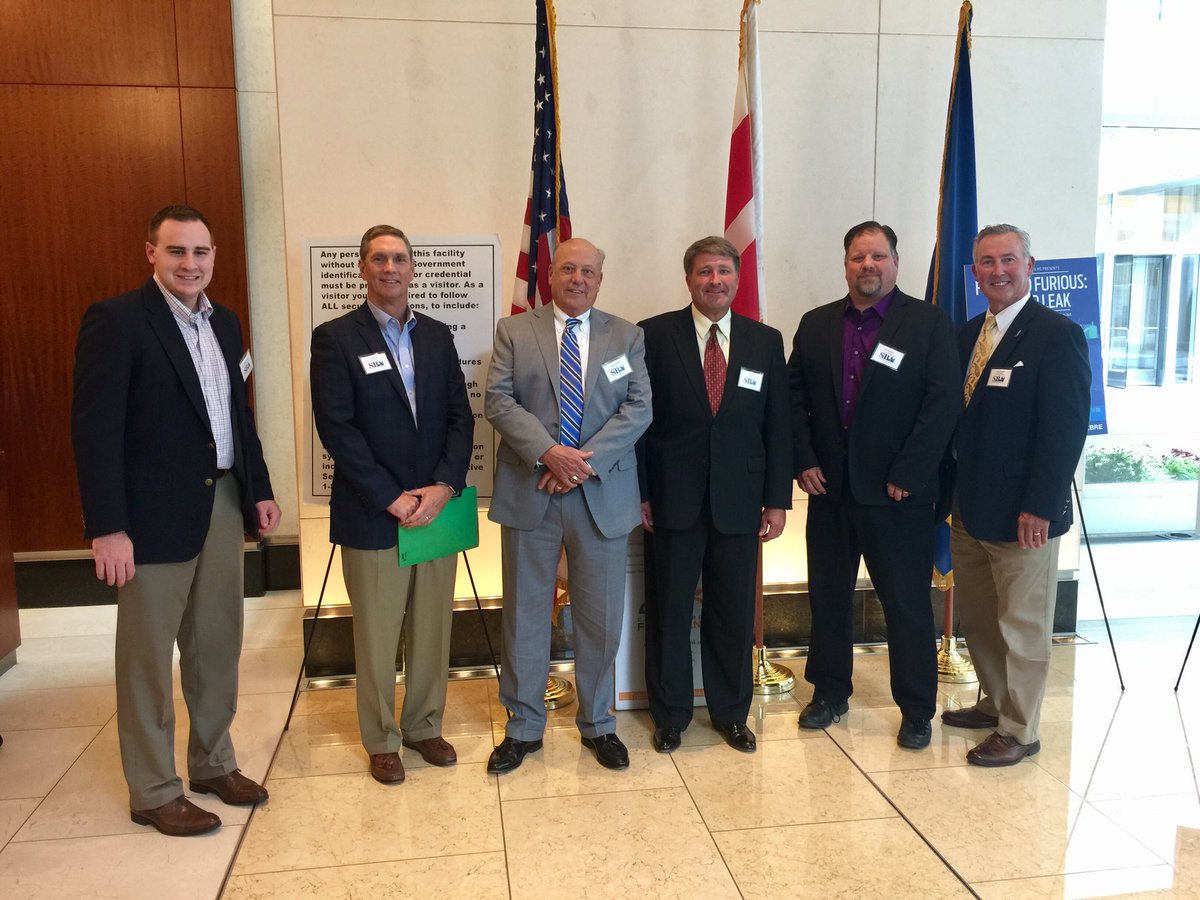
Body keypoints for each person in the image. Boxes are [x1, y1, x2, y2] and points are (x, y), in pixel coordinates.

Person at [71, 204, 281, 837]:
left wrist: (259, 492)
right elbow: (95, 430)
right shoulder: (118, 321)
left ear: (214, 257)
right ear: (151, 254)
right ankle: (153, 788)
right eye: (177, 252)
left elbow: (238, 420)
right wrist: (107, 526)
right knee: (146, 657)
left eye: (201, 253)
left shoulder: (225, 324)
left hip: (220, 502)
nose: (191, 264)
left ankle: (213, 763)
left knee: (216, 644)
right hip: (147, 517)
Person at [310, 224, 473, 785]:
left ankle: (425, 726)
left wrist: (445, 486)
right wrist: (390, 497)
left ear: (412, 268)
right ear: (362, 268)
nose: (390, 268)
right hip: (373, 511)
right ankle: (381, 739)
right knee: (377, 635)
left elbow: (460, 416)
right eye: (378, 259)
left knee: (432, 629)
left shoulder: (436, 335)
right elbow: (337, 427)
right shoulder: (335, 338)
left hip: (435, 509)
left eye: (399, 259)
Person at [789, 221, 960, 749]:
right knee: (829, 599)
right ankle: (829, 692)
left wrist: (909, 474)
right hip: (831, 492)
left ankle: (915, 709)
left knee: (906, 604)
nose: (868, 266)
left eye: (878, 256)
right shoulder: (816, 324)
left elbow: (942, 404)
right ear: (845, 264)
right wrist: (804, 459)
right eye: (858, 257)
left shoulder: (928, 323)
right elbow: (793, 401)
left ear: (895, 263)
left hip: (897, 495)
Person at [485, 238, 651, 773]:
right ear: (550, 276)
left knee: (600, 619)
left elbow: (639, 407)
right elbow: (498, 399)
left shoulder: (626, 335)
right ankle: (524, 724)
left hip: (600, 494)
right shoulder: (515, 330)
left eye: (589, 271)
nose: (578, 278)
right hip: (532, 490)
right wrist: (549, 454)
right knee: (525, 614)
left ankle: (599, 723)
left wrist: (581, 462)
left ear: (601, 279)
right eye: (568, 269)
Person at [637, 236, 791, 755]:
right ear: (688, 280)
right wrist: (641, 493)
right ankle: (671, 716)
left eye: (724, 271)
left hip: (741, 503)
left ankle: (731, 713)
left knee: (732, 613)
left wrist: (777, 500)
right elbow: (638, 424)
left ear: (738, 279)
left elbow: (778, 425)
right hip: (671, 499)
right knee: (670, 613)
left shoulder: (765, 341)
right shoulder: (654, 335)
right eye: (704, 272)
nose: (715, 281)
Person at [943, 224, 1090, 766]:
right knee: (981, 620)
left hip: (1025, 514)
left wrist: (1042, 506)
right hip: (969, 510)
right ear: (975, 271)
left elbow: (1064, 429)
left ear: (1031, 265)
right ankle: (995, 702)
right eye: (986, 261)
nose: (997, 271)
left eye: (1008, 259)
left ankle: (1020, 730)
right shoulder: (964, 336)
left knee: (1024, 625)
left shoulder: (1056, 335)